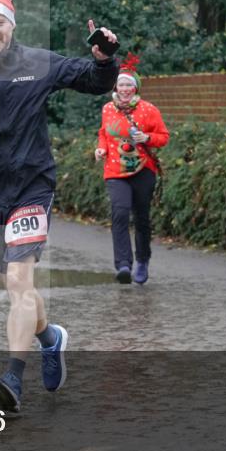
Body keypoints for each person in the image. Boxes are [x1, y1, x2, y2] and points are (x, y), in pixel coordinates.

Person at [0, 0, 120, 412]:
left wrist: (105, 59)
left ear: (11, 26)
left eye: (0, 22)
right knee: (20, 289)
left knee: (19, 280)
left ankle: (12, 378)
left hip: (32, 185)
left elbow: (91, 79)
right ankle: (50, 338)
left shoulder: (37, 63)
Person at [94, 55, 169, 285]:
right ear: (116, 86)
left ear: (136, 87)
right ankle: (123, 265)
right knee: (120, 212)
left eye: (129, 84)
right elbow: (104, 134)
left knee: (142, 218)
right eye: (121, 84)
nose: (125, 88)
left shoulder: (149, 110)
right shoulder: (107, 109)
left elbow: (163, 137)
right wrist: (100, 149)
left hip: (143, 169)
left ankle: (143, 260)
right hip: (115, 171)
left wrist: (147, 137)